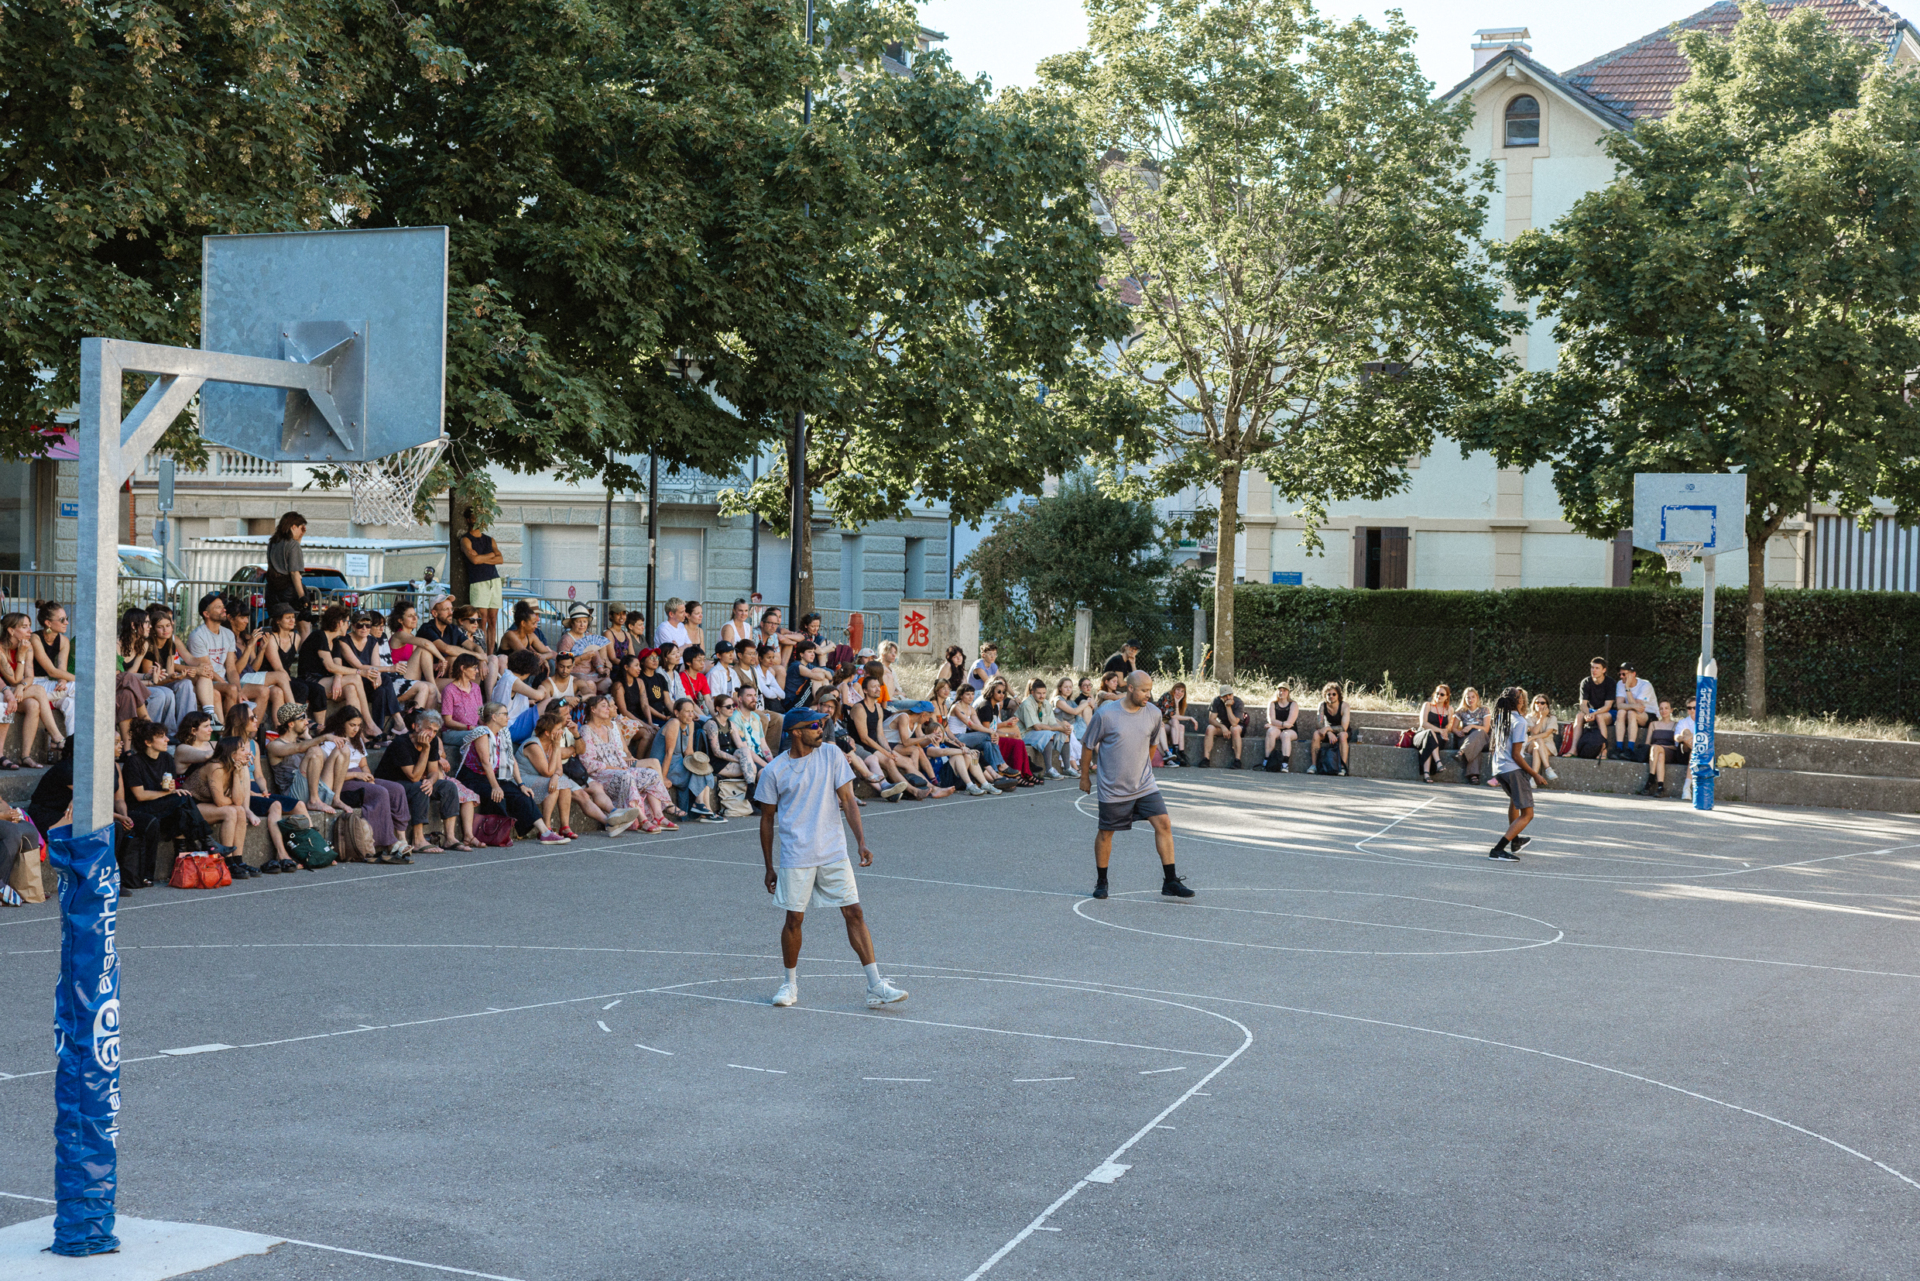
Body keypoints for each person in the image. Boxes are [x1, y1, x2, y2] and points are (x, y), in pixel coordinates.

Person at [756, 706, 909, 1010]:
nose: (820, 729)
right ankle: (789, 984)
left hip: (833, 850)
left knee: (854, 913)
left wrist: (861, 842)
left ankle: (875, 985)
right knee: (794, 919)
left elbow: (848, 800)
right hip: (796, 854)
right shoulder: (774, 770)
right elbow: (766, 820)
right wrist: (769, 866)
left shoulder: (832, 755)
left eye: (822, 723)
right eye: (814, 725)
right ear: (795, 731)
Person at [1081, 670, 1192, 900]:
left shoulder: (1153, 713)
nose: (1148, 696)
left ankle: (1170, 881)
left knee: (1163, 823)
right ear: (1129, 688)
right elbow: (1088, 745)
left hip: (1144, 784)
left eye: (1150, 690)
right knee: (1106, 833)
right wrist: (1084, 777)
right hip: (1113, 788)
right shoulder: (1106, 714)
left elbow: (1152, 744)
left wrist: (1145, 768)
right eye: (1143, 690)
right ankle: (1102, 882)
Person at [459, 701, 566, 842]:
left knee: (523, 795)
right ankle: (498, 834)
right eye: (505, 714)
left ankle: (545, 832)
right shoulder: (481, 733)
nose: (508, 718)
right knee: (497, 796)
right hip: (473, 778)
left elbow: (511, 760)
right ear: (494, 717)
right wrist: (495, 786)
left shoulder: (503, 732)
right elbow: (485, 763)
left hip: (493, 776)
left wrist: (521, 784)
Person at [377, 709, 481, 851]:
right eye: (428, 729)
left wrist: (431, 781)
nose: (431, 734)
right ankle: (418, 840)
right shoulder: (401, 743)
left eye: (434, 731)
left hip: (413, 782)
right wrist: (425, 750)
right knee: (419, 788)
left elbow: (433, 772)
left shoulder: (432, 742)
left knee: (448, 786)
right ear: (417, 727)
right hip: (393, 784)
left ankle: (450, 838)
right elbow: (413, 776)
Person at [1488, 686, 1545, 861]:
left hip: (1499, 768)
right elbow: (1515, 755)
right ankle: (1498, 850)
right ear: (1518, 701)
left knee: (1514, 801)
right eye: (1520, 697)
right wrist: (1534, 774)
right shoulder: (1519, 722)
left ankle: (1515, 840)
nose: (1522, 699)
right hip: (1512, 769)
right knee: (1528, 814)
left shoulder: (1501, 718)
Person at [0, 612, 59, 767]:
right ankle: (57, 737)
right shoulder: (1, 648)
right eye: (24, 627)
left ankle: (25, 756)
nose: (30, 631)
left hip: (15, 692)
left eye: (30, 626)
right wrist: (21, 655)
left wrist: (21, 687)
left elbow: (28, 677)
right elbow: (14, 678)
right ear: (11, 631)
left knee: (33, 705)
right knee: (39, 690)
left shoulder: (28, 646)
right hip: (3, 692)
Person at [184, 592, 244, 725]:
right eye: (218, 607)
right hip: (207, 682)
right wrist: (228, 685)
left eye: (223, 606)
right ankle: (231, 732)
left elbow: (231, 669)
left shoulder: (228, 634)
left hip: (224, 680)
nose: (224, 609)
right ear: (206, 614)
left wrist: (239, 689)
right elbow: (207, 670)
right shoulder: (198, 636)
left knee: (263, 691)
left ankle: (255, 737)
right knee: (231, 690)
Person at [460, 507, 506, 648]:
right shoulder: (466, 539)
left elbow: (500, 559)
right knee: (482, 620)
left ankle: (491, 654)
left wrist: (482, 558)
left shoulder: (489, 539)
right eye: (474, 516)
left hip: (494, 580)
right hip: (478, 582)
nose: (478, 520)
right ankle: (482, 651)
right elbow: (474, 561)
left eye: (480, 517)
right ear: (468, 520)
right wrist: (491, 555)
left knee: (493, 620)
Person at [32, 600, 77, 740]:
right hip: (33, 685)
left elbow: (61, 669)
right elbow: (51, 670)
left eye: (67, 619)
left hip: (48, 686)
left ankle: (70, 745)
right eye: (62, 620)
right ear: (48, 623)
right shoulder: (35, 638)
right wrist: (78, 679)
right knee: (78, 686)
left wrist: (63, 681)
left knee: (71, 703)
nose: (67, 623)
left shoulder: (64, 641)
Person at [265, 511, 312, 627]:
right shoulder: (292, 545)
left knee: (279, 625)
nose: (302, 531)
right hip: (289, 592)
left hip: (273, 590)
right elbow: (294, 572)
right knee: (304, 626)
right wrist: (302, 597)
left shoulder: (273, 542)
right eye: (301, 528)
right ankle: (301, 646)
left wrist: (300, 537)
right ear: (293, 527)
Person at [1016, 677, 1070, 778]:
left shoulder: (1045, 703)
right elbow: (1037, 727)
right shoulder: (1027, 704)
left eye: (1044, 693)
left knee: (1064, 734)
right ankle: (1049, 770)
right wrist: (1059, 728)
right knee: (1048, 734)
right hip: (1024, 734)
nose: (1042, 696)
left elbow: (1052, 723)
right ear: (1032, 693)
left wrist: (1063, 728)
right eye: (1039, 693)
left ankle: (1067, 768)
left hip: (1038, 733)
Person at [1643, 697, 1695, 797]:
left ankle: (1651, 779)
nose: (1664, 711)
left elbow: (1677, 745)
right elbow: (1647, 743)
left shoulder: (1676, 724)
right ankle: (1660, 786)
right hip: (1655, 752)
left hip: (1670, 751)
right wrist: (1656, 747)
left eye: (1666, 708)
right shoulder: (1653, 724)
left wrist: (1662, 746)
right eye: (1661, 708)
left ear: (1671, 710)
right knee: (1658, 752)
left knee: (1658, 749)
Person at [1412, 684, 1457, 784]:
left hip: (1438, 738)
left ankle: (1426, 774)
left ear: (1446, 697)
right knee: (1429, 733)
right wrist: (1440, 730)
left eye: (1442, 694)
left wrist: (1445, 731)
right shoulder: (1427, 705)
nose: (1439, 696)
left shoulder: (1449, 709)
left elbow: (1449, 725)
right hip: (1421, 735)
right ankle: (1438, 762)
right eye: (1437, 693)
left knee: (1430, 742)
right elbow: (1423, 723)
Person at [1613, 662, 1657, 760]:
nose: (1621, 676)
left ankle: (1630, 749)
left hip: (1649, 715)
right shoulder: (1620, 684)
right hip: (1632, 712)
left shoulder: (1645, 685)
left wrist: (1627, 688)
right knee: (1621, 712)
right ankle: (1619, 748)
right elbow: (1619, 705)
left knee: (1631, 712)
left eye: (1624, 674)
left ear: (1633, 674)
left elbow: (1638, 707)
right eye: (1619, 674)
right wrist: (1632, 706)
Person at [1201, 684, 1247, 769]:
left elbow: (1234, 723)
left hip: (1237, 725)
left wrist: (1228, 707)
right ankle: (1206, 759)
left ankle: (1237, 760)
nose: (1228, 698)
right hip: (1223, 725)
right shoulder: (1216, 701)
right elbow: (1211, 719)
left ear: (1233, 694)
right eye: (1225, 696)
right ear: (1220, 697)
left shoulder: (1238, 702)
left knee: (1234, 729)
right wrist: (1222, 726)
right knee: (1209, 728)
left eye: (1230, 695)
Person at [1309, 682, 1351, 775]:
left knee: (1342, 736)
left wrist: (1328, 729)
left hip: (1341, 731)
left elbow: (1343, 728)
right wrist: (1328, 732)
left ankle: (1342, 767)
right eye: (1328, 694)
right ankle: (1314, 765)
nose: (1331, 696)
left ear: (1338, 695)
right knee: (1316, 734)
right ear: (1325, 695)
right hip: (1328, 731)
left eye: (1334, 694)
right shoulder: (1322, 705)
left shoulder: (1344, 706)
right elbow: (1319, 724)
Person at [1575, 657, 1614, 750]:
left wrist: (1594, 714)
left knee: (1599, 717)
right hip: (1592, 711)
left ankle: (1603, 751)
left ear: (1604, 670)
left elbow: (1608, 706)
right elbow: (1582, 704)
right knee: (1579, 716)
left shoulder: (1610, 682)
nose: (1594, 670)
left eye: (1597, 668)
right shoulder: (1586, 682)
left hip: (1608, 713)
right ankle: (1574, 749)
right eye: (1592, 668)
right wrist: (1588, 714)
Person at [1523, 694, 1560, 782]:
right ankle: (1548, 768)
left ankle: (1532, 779)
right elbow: (1535, 731)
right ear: (1533, 704)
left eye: (1542, 703)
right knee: (1538, 742)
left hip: (1548, 745)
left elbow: (1547, 734)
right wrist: (1542, 717)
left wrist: (1532, 737)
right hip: (1531, 745)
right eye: (1537, 702)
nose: (1539, 705)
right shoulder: (1529, 717)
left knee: (1537, 749)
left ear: (1546, 705)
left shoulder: (1552, 718)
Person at [1264, 685, 1300, 773]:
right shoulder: (1272, 703)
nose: (1281, 692)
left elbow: (1290, 723)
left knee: (1285, 735)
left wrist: (1275, 725)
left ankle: (1285, 764)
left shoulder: (1293, 704)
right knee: (1270, 732)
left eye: (1284, 690)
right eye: (1280, 690)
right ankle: (1267, 760)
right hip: (1277, 729)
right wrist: (1280, 725)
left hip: (1291, 730)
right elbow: (1271, 720)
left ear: (1288, 692)